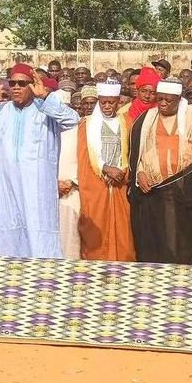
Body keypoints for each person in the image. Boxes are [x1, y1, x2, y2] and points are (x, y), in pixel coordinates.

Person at [0, 65, 79, 258]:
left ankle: (44, 285)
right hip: (9, 191)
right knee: (9, 242)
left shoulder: (45, 110)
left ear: (32, 85)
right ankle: (11, 286)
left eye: (22, 83)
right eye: (12, 83)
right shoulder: (0, 112)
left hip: (38, 193)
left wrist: (45, 98)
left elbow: (72, 120)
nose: (16, 87)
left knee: (40, 241)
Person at [129, 80, 192, 265]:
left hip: (185, 192)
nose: (162, 104)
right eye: (159, 99)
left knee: (184, 242)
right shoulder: (146, 119)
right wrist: (140, 173)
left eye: (167, 100)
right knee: (158, 241)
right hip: (154, 194)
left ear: (178, 99)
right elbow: (139, 153)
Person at [78, 80, 135, 261]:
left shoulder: (126, 122)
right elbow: (84, 156)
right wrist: (105, 168)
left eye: (112, 102)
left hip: (120, 183)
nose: (107, 106)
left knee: (123, 231)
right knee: (95, 230)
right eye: (103, 102)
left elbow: (133, 152)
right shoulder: (86, 125)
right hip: (97, 184)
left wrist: (122, 171)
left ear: (119, 101)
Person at [58, 124, 81, 259]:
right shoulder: (43, 127)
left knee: (71, 236)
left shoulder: (79, 128)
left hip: (73, 191)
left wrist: (71, 182)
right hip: (48, 191)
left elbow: (86, 159)